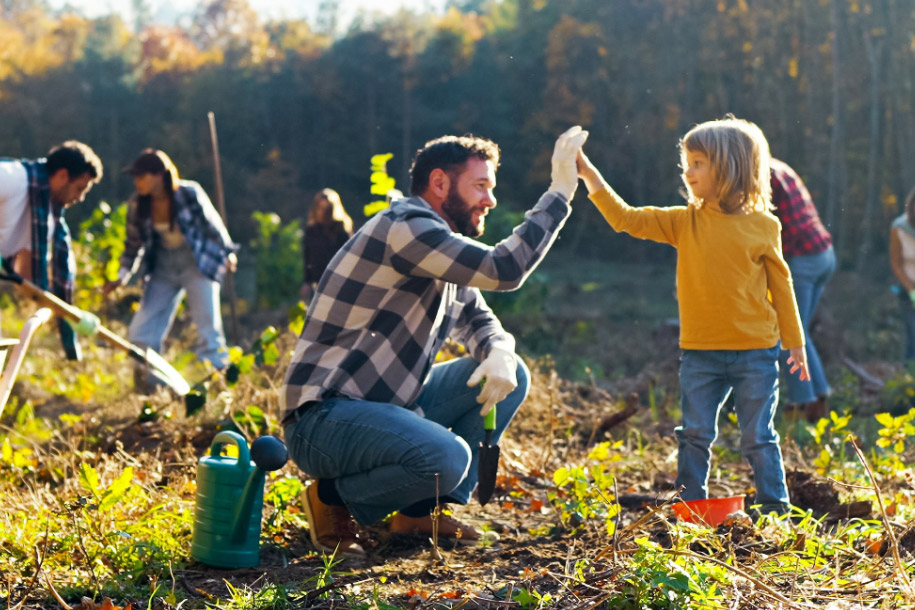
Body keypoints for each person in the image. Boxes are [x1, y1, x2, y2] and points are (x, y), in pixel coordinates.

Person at [281, 126, 588, 557]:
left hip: (381, 410)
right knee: (448, 457)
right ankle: (330, 499)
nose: (490, 199)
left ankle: (418, 512)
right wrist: (560, 190)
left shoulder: (440, 249)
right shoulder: (406, 228)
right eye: (480, 185)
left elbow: (480, 318)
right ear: (440, 183)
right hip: (323, 419)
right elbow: (504, 269)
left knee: (512, 371)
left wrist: (500, 350)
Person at [577, 116, 809, 515]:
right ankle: (691, 507)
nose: (688, 170)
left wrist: (795, 343)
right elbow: (625, 219)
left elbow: (781, 287)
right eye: (687, 161)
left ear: (730, 166)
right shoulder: (685, 221)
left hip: (756, 352)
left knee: (758, 436)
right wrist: (590, 176)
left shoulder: (764, 225)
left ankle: (776, 509)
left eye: (698, 162)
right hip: (700, 353)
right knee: (695, 433)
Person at [102, 149, 238, 385]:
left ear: (158, 175)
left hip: (196, 263)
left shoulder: (188, 193)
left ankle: (219, 385)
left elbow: (212, 224)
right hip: (163, 267)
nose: (137, 182)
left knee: (208, 329)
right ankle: (152, 384)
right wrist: (122, 277)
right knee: (141, 331)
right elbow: (133, 244)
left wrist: (227, 253)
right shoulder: (137, 203)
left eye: (141, 176)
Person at [0, 140, 104, 359]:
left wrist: (71, 316)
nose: (79, 198)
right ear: (63, 176)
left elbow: (27, 281)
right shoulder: (11, 178)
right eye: (79, 188)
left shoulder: (43, 221)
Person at [770, 158, 835, 423]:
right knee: (800, 331)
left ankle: (802, 404)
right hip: (823, 254)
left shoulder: (761, 176)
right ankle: (819, 396)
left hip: (802, 259)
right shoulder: (779, 167)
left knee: (789, 332)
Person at [301, 188, 352, 300]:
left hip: (336, 280)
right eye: (321, 208)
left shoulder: (341, 229)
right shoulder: (311, 230)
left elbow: (348, 256)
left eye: (327, 209)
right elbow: (307, 256)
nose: (323, 212)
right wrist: (306, 281)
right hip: (316, 281)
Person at [890, 186, 915, 362]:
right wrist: (911, 289)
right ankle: (908, 380)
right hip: (908, 290)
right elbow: (896, 263)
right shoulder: (899, 228)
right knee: (913, 337)